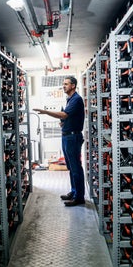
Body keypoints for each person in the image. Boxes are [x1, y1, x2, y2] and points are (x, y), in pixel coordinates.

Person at [33, 76, 86, 206]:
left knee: (76, 168)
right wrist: (64, 123)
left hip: (73, 137)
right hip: (67, 136)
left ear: (73, 85)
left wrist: (46, 112)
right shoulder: (69, 100)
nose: (64, 86)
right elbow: (67, 117)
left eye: (66, 84)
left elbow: (64, 114)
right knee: (71, 167)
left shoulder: (76, 99)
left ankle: (79, 197)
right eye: (63, 84)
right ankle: (74, 192)